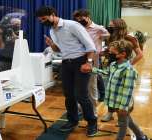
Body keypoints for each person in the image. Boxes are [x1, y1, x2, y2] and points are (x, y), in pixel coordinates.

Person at [36, 6, 97, 136]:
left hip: (81, 61)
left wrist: (89, 62)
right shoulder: (52, 31)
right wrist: (51, 45)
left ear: (52, 14)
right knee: (69, 95)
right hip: (66, 63)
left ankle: (92, 122)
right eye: (40, 21)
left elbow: (90, 45)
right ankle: (72, 120)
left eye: (44, 19)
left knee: (81, 95)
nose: (43, 22)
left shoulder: (72, 25)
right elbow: (59, 49)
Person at [81, 39, 148, 140]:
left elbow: (127, 91)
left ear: (123, 54)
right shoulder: (113, 65)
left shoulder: (129, 70)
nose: (109, 54)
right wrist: (92, 69)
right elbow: (107, 73)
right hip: (115, 102)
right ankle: (141, 136)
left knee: (122, 125)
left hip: (123, 104)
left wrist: (123, 107)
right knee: (128, 121)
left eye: (112, 53)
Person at [101, 18, 143, 122]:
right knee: (111, 90)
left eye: (111, 26)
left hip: (123, 68)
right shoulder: (111, 37)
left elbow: (140, 54)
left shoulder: (130, 38)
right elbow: (110, 50)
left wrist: (128, 65)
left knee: (124, 93)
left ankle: (124, 115)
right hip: (112, 66)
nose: (109, 27)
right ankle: (110, 113)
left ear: (118, 27)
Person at [73, 9, 109, 116]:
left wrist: (102, 50)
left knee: (92, 84)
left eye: (81, 18)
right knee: (79, 84)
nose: (79, 20)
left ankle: (93, 109)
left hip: (93, 59)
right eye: (77, 19)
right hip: (79, 58)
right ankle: (81, 107)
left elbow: (109, 37)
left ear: (88, 16)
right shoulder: (78, 28)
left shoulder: (98, 28)